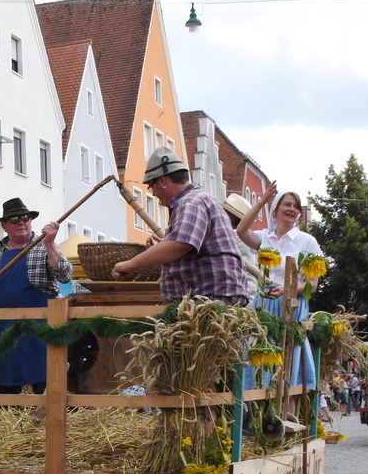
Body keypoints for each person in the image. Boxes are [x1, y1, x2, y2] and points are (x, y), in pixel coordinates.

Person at [112, 148, 253, 305]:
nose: (154, 194)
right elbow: (182, 246)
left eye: (151, 186)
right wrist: (164, 249)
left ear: (163, 181)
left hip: (211, 299)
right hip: (211, 296)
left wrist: (130, 264)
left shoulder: (191, 202)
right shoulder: (196, 200)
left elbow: (180, 245)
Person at [0, 198, 71, 394]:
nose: (21, 222)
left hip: (42, 332)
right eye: (14, 219)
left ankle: (47, 424)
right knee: (7, 393)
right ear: (5, 226)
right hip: (7, 335)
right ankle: (5, 425)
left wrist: (50, 243)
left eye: (25, 218)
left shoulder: (43, 246)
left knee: (46, 389)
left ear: (31, 221)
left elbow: (65, 276)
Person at [237, 182, 321, 383]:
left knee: (287, 371)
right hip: (264, 304)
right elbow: (241, 230)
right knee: (258, 365)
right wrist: (262, 202)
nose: (292, 209)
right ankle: (259, 412)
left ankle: (286, 413)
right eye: (287, 204)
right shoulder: (264, 236)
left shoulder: (306, 241)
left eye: (295, 206)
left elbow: (312, 286)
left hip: (290, 306)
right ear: (275, 209)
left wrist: (287, 289)